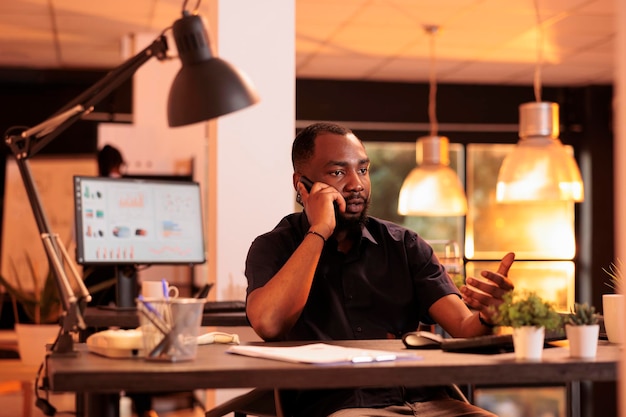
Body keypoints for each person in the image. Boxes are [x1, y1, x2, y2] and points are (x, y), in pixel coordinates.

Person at [244, 122, 515, 417]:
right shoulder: (273, 247)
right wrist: (320, 229)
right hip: (343, 409)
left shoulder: (405, 245)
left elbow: (465, 328)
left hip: (432, 402)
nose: (356, 184)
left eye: (362, 170)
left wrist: (489, 315)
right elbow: (269, 323)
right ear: (302, 185)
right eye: (337, 173)